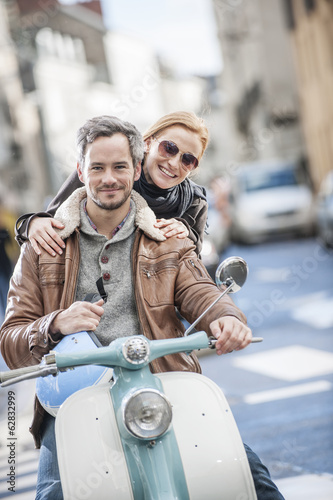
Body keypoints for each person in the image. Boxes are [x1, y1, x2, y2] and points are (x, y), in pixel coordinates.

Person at [1, 116, 284, 500]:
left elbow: (201, 290)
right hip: (74, 396)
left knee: (251, 480)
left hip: (162, 384)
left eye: (119, 166)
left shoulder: (169, 238)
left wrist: (228, 319)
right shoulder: (43, 245)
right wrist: (55, 323)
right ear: (81, 169)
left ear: (136, 169)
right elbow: (11, 339)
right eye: (97, 167)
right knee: (54, 494)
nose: (108, 178)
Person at [15, 111, 208, 256]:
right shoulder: (105, 174)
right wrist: (31, 224)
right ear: (148, 143)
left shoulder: (194, 202)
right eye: (169, 148)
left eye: (188, 159)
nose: (174, 163)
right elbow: (51, 219)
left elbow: (193, 265)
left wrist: (185, 234)